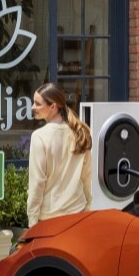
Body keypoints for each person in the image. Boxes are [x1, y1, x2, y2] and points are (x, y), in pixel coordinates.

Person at [26, 82, 92, 227]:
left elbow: (37, 183)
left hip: (50, 220)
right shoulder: (79, 133)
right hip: (77, 215)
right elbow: (87, 177)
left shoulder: (40, 137)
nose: (33, 107)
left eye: (37, 104)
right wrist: (87, 208)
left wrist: (32, 221)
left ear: (53, 107)